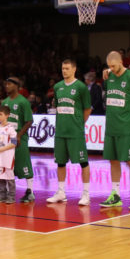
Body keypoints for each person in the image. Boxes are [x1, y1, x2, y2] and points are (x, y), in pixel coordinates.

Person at [99, 51, 130, 209]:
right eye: (109, 66)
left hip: (126, 127)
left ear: (121, 62)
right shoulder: (108, 77)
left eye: (113, 66)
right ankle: (115, 195)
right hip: (111, 127)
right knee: (113, 160)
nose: (111, 69)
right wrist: (107, 72)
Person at [46, 59, 92, 206]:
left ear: (74, 69)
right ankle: (61, 192)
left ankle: (86, 194)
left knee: (83, 162)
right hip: (60, 131)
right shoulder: (57, 87)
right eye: (63, 68)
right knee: (60, 163)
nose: (64, 71)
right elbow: (58, 106)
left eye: (67, 68)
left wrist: (79, 123)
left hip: (75, 132)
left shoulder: (81, 87)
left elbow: (87, 108)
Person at [1, 77, 35, 202]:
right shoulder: (4, 102)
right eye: (6, 84)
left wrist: (19, 135)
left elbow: (29, 121)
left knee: (23, 163)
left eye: (9, 84)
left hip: (19, 138)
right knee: (7, 164)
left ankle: (30, 191)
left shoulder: (23, 102)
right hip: (7, 138)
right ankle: (8, 192)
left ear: (16, 86)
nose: (7, 86)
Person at [0, 105, 18, 204]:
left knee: (9, 176)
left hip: (8, 156)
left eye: (1, 114)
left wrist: (2, 149)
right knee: (0, 176)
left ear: (7, 115)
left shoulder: (10, 128)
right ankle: (2, 195)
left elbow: (14, 143)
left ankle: (11, 196)